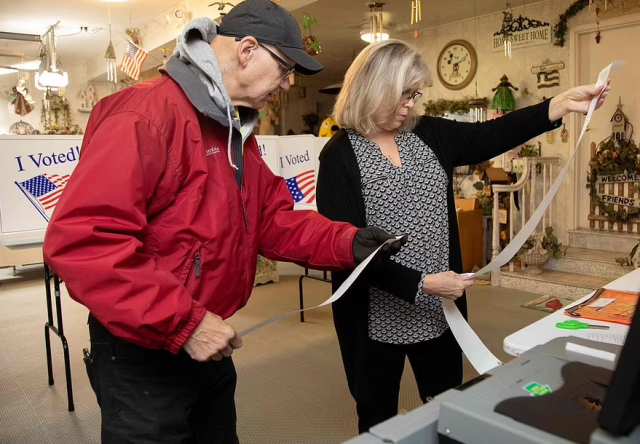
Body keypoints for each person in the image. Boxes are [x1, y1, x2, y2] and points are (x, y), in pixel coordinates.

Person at [42, 2, 405, 443]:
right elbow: (86, 243)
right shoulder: (144, 115)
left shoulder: (232, 131)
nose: (288, 85)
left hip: (207, 339)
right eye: (286, 68)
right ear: (248, 49)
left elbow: (272, 218)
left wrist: (349, 242)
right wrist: (184, 323)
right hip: (148, 349)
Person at [316, 39, 611, 433]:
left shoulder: (428, 134)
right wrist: (420, 283)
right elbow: (349, 252)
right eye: (402, 95)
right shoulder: (337, 158)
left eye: (414, 95)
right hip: (374, 318)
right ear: (374, 88)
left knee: (447, 412)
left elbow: (491, 135)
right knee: (376, 417)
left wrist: (558, 104)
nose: (410, 105)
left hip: (440, 310)